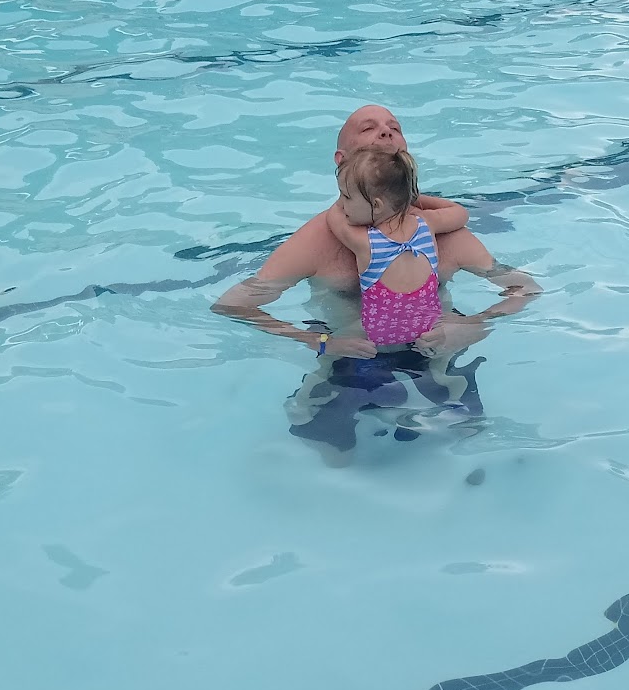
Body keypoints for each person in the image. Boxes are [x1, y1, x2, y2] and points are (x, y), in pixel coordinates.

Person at [214, 105, 539, 462]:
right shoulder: (316, 242)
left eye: (394, 128)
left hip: (435, 348)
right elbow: (232, 305)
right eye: (368, 128)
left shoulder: (442, 233)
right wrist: (320, 342)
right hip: (349, 356)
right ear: (341, 161)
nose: (385, 132)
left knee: (472, 437)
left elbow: (525, 289)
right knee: (329, 452)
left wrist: (473, 326)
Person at [325, 148, 462, 349]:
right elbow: (460, 212)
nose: (343, 204)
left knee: (327, 346)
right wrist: (411, 198)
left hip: (376, 337)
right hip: (428, 331)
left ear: (377, 206)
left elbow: (333, 216)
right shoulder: (426, 223)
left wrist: (341, 199)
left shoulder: (364, 242)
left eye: (346, 196)